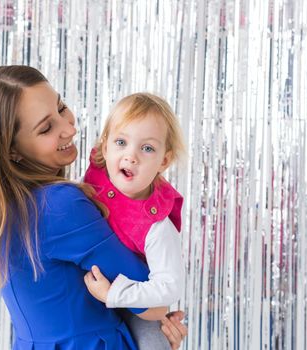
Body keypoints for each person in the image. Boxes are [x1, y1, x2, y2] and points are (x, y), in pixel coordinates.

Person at [0, 65, 187, 350]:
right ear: (11, 150)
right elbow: (154, 303)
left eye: (61, 107)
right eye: (46, 128)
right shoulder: (60, 205)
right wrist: (156, 337)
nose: (70, 127)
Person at [82, 93, 186, 349]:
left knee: (155, 342)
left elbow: (169, 287)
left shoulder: (157, 224)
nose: (131, 156)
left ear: (164, 160)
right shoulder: (93, 182)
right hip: (85, 291)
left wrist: (115, 294)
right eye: (121, 142)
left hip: (135, 299)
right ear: (105, 147)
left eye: (147, 148)